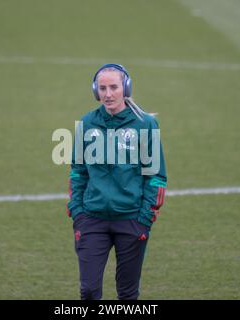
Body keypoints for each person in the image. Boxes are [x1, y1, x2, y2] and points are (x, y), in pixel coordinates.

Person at [67, 63, 167, 300]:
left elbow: (156, 176)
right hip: (92, 219)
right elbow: (77, 173)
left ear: (126, 88)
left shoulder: (145, 124)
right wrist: (78, 213)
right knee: (89, 290)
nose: (108, 94)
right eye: (102, 88)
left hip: (131, 220)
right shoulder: (87, 123)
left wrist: (145, 217)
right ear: (95, 91)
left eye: (114, 87)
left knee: (127, 293)